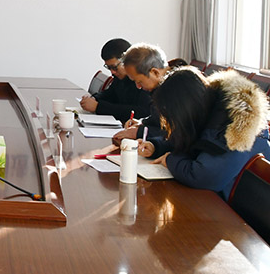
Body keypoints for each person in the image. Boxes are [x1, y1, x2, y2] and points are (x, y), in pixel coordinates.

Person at [137, 67, 270, 201]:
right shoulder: (209, 106)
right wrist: (156, 146)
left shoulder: (232, 125)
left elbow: (202, 177)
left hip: (237, 208)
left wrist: (169, 160)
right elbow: (189, 136)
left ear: (185, 111)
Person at [80, 38, 152, 123]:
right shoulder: (119, 77)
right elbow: (110, 94)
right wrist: (94, 98)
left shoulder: (144, 79)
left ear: (128, 61)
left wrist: (98, 107)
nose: (112, 72)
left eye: (114, 67)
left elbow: (143, 112)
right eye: (108, 67)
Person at [112, 43, 171, 144]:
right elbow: (158, 119)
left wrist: (139, 132)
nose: (138, 86)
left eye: (139, 81)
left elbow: (175, 134)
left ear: (155, 72)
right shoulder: (158, 89)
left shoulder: (177, 90)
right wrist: (142, 122)